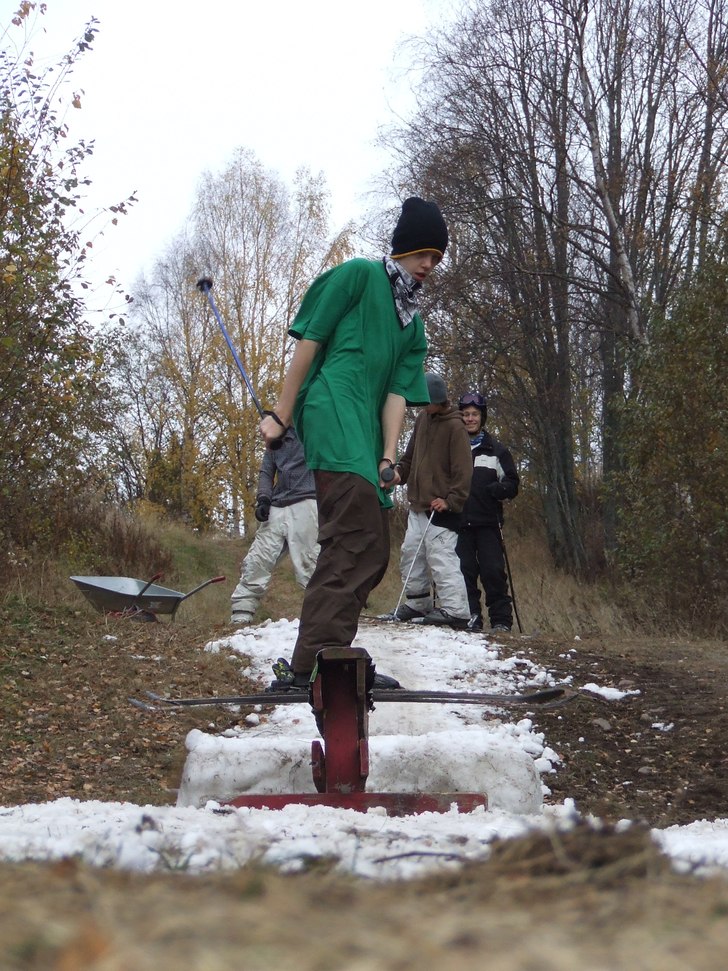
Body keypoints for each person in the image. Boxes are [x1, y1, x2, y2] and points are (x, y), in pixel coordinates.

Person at [259, 196, 448, 686]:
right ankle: (316, 664)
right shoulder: (360, 275)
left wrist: (388, 456)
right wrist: (283, 411)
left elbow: (395, 395)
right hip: (330, 409)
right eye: (423, 253)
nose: (430, 264)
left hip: (363, 437)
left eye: (437, 257)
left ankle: (324, 661)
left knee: (370, 548)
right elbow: (310, 339)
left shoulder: (412, 320)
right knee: (356, 534)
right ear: (403, 248)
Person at [391, 371, 473, 629]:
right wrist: (398, 474)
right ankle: (418, 601)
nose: (422, 406)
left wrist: (451, 499)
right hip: (418, 504)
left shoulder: (455, 426)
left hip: (442, 509)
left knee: (442, 558)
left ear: (437, 399)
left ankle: (456, 610)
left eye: (425, 400)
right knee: (410, 554)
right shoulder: (422, 421)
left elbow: (464, 470)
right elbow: (409, 456)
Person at [230, 428, 319, 625]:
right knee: (258, 558)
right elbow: (266, 471)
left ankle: (322, 616)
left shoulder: (315, 430)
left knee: (311, 564)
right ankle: (241, 612)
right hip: (278, 505)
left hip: (308, 502)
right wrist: (263, 498)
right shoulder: (276, 438)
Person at [456, 391, 519, 632]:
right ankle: (470, 618)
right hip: (459, 523)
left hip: (488, 523)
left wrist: (499, 489)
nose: (470, 419)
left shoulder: (496, 450)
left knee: (493, 572)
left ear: (482, 418)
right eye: (465, 414)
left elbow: (513, 484)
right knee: (464, 573)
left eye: (474, 414)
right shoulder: (453, 447)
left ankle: (501, 621)